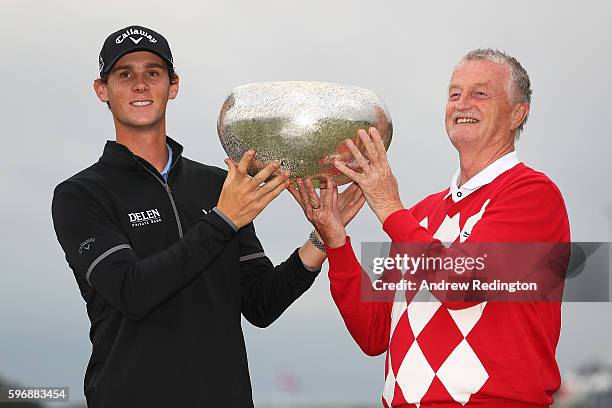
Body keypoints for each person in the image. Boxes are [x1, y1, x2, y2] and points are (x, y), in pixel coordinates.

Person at [51, 25, 365, 407]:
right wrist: (223, 220)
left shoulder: (218, 185)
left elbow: (259, 303)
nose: (140, 85)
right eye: (124, 74)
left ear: (173, 85)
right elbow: (132, 292)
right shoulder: (81, 194)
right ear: (103, 90)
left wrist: (320, 238)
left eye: (153, 73)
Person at [291, 49, 570, 407]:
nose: (462, 104)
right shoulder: (419, 216)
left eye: (480, 93)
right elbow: (374, 333)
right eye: (454, 94)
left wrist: (389, 206)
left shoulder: (532, 193)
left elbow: (461, 286)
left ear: (518, 113)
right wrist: (336, 240)